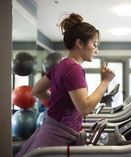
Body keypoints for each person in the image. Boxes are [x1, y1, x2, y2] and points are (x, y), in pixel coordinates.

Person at [16, 13, 115, 157]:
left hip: (51, 131)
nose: (97, 50)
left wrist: (62, 102)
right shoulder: (73, 68)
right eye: (95, 44)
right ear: (79, 43)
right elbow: (85, 108)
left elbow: (37, 90)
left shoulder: (62, 65)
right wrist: (105, 81)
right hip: (55, 137)